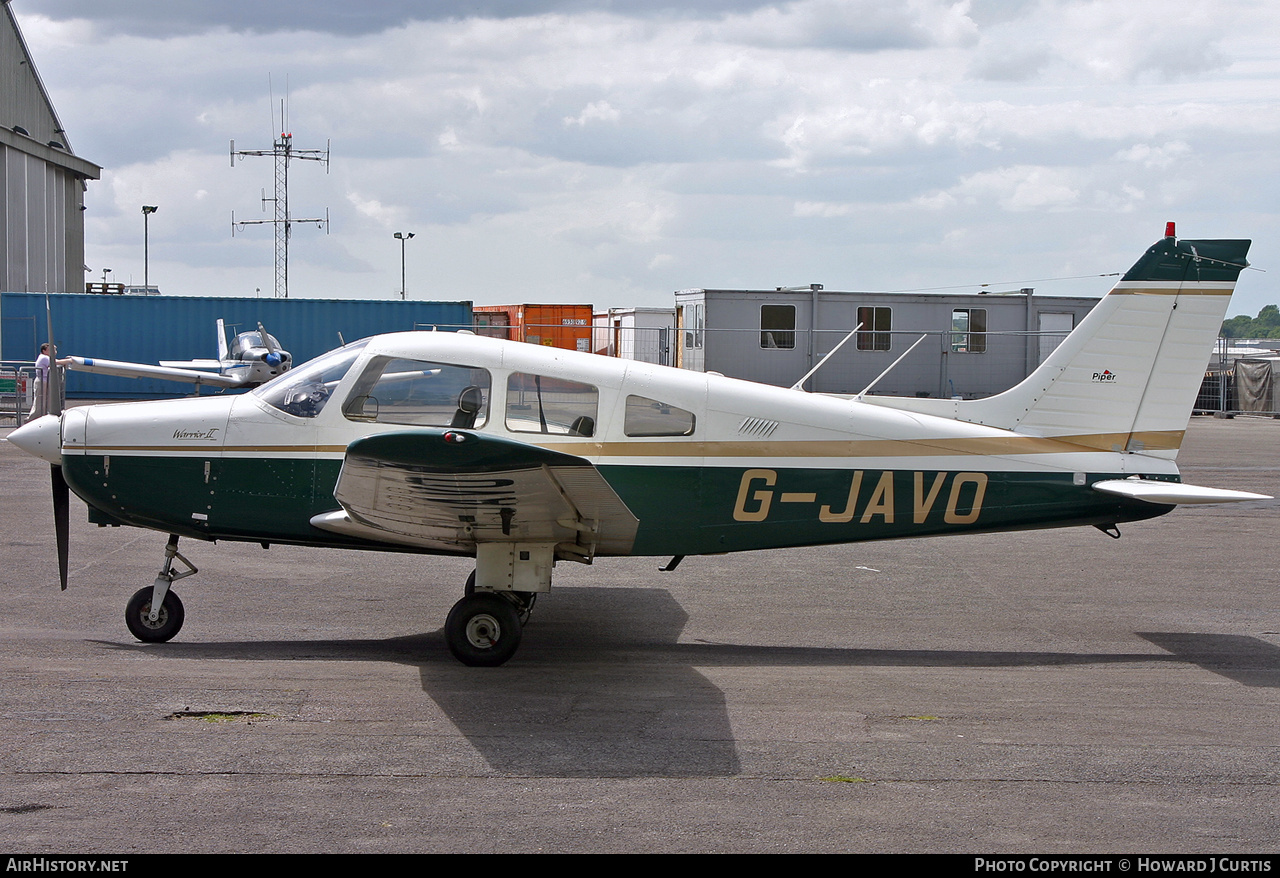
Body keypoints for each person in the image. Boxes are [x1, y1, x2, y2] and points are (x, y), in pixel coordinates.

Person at [28, 343, 73, 419]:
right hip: (42, 381)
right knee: (40, 401)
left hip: (45, 381)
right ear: (44, 351)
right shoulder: (44, 358)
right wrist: (69, 360)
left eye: (55, 349)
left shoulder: (45, 358)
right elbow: (56, 362)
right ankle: (33, 418)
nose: (54, 351)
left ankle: (41, 417)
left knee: (45, 400)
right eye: (51, 350)